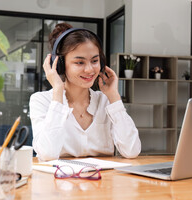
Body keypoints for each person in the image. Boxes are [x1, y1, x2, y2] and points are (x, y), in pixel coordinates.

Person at [29, 23, 141, 161]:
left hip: (104, 181)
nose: (89, 69)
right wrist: (58, 91)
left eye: (94, 60)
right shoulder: (41, 101)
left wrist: (114, 97)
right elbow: (47, 154)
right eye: (79, 63)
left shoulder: (105, 101)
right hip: (60, 181)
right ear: (60, 66)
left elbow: (132, 151)